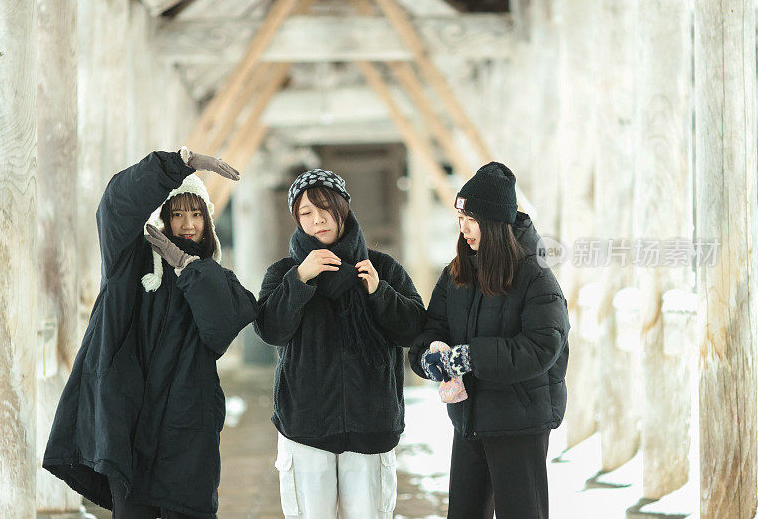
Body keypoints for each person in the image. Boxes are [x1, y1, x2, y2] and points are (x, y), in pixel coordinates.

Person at [43, 147, 258, 518]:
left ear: (208, 221)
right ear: (164, 219)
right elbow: (115, 205)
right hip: (129, 423)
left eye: (196, 214)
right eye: (177, 214)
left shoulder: (218, 278)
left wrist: (189, 268)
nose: (188, 224)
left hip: (187, 429)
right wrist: (179, 163)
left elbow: (220, 329)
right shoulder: (130, 262)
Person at [253, 169, 427, 518]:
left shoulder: (382, 268)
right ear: (296, 219)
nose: (317, 219)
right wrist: (300, 279)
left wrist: (379, 292)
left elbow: (413, 330)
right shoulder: (284, 272)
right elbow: (270, 329)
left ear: (342, 208)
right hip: (305, 428)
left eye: (324, 208)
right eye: (305, 212)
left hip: (371, 426)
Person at [408, 162, 570, 519]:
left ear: (496, 223)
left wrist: (470, 357)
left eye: (472, 218)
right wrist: (431, 353)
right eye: (460, 217)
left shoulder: (534, 275)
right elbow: (431, 329)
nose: (463, 228)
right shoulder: (458, 273)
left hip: (519, 420)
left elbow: (542, 346)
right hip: (470, 419)